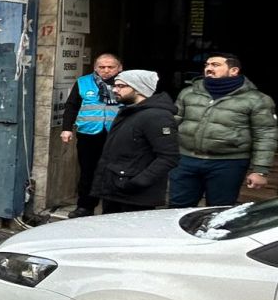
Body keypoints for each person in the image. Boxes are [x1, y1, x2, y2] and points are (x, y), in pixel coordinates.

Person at [169, 52, 275, 208]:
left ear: (234, 70)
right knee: (177, 206)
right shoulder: (189, 93)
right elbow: (172, 124)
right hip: (186, 159)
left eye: (215, 65)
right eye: (207, 65)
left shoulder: (257, 99)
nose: (209, 68)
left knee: (218, 210)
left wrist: (260, 170)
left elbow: (265, 135)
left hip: (228, 163)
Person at [91, 70, 179, 214]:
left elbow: (169, 157)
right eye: (115, 85)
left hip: (133, 196)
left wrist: (137, 182)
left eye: (121, 86)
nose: (115, 90)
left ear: (139, 89)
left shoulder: (157, 116)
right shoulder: (131, 112)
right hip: (116, 190)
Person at [59, 53, 121, 218]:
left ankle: (111, 209)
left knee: (114, 172)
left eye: (110, 67)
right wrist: (66, 129)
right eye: (102, 67)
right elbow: (71, 107)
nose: (106, 70)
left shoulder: (126, 83)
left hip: (117, 135)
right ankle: (85, 207)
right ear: (95, 67)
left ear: (119, 68)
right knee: (88, 172)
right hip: (89, 134)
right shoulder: (83, 82)